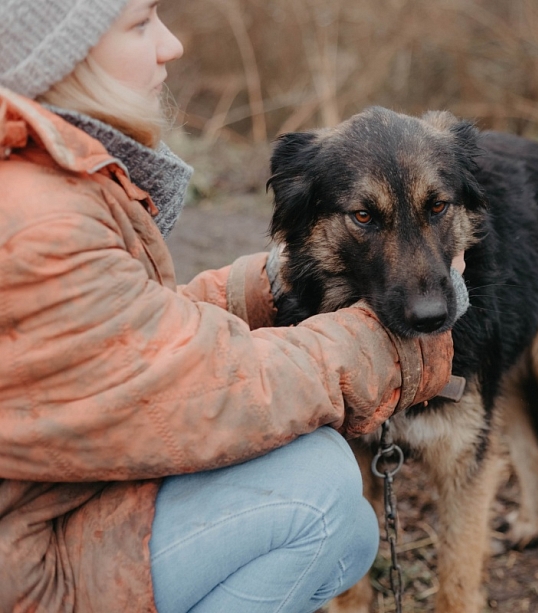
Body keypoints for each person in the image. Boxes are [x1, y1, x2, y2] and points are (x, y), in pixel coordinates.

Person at [0, 1, 466, 611]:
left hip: (50, 508)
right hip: (30, 567)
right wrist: (391, 350)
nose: (172, 45)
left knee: (349, 532)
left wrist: (271, 284)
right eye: (140, 25)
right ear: (62, 55)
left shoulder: (47, 180)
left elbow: (120, 345)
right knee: (318, 488)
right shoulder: (35, 218)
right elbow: (193, 394)